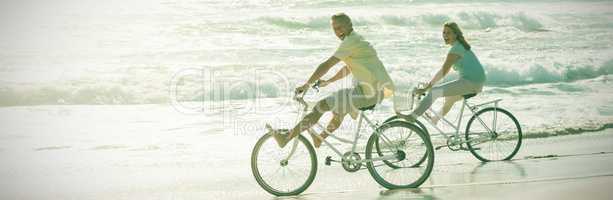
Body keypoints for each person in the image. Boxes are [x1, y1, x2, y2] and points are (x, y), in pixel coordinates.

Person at [270, 13, 397, 148]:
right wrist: (329, 81)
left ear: (350, 25)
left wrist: (306, 85)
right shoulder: (357, 39)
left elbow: (327, 64)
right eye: (335, 29)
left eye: (341, 27)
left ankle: (286, 137)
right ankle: (320, 138)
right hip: (374, 92)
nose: (338, 32)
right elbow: (348, 69)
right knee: (338, 113)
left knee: (320, 106)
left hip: (367, 93)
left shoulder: (350, 42)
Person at [400, 22, 486, 123]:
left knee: (434, 92)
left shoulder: (456, 49)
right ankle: (434, 120)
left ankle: (412, 117)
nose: (445, 35)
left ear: (456, 34)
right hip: (476, 82)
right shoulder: (460, 46)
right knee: (449, 100)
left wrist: (427, 88)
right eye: (444, 33)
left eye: (448, 33)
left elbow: (444, 71)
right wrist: (431, 85)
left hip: (471, 82)